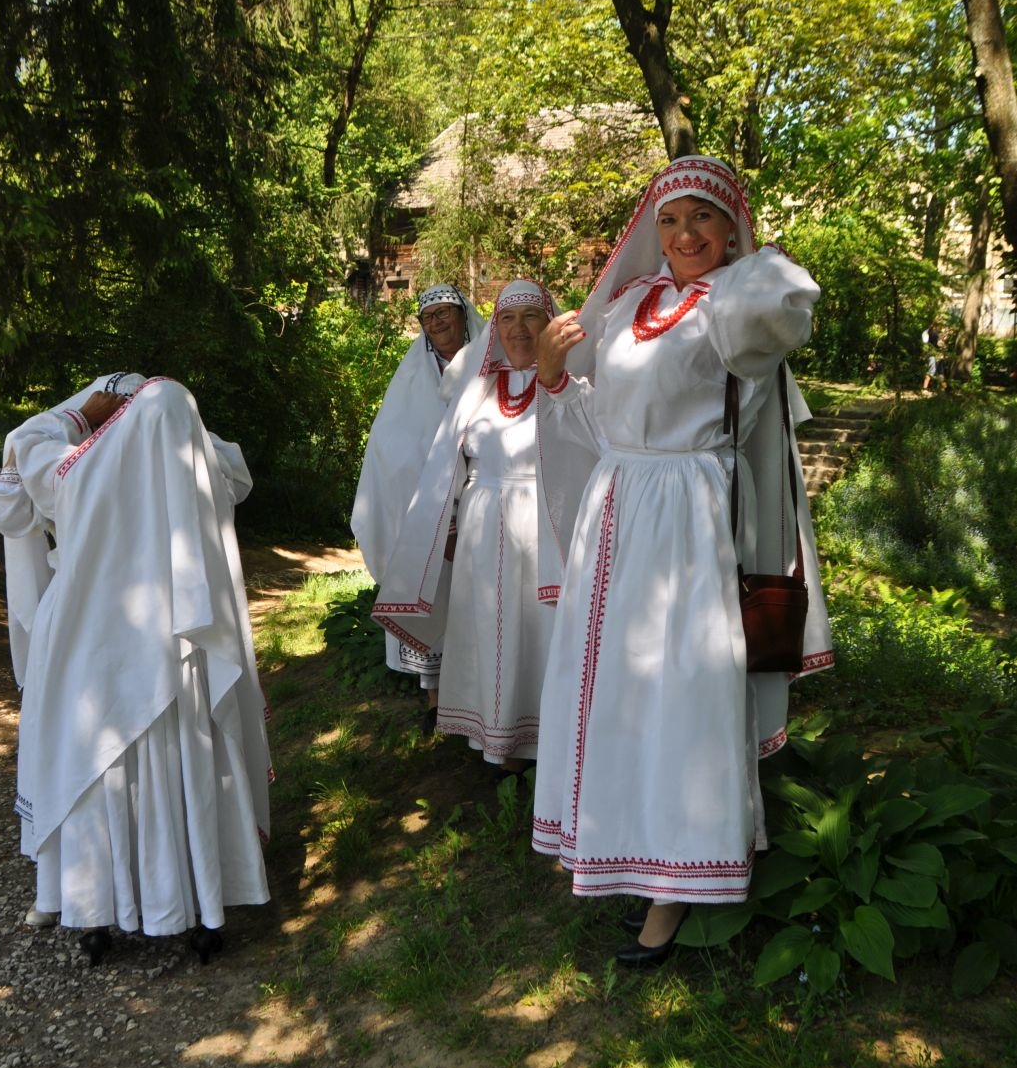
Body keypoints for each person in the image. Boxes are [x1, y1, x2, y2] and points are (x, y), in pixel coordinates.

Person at [531, 156, 832, 966]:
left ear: (731, 226)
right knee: (618, 687)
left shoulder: (737, 306)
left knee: (681, 690)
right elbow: (600, 424)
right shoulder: (627, 303)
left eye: (702, 215)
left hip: (690, 516)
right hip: (617, 507)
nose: (684, 233)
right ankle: (617, 839)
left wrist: (752, 259)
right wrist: (553, 379)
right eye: (668, 219)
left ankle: (675, 882)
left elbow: (787, 299)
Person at [0, 375, 271, 962]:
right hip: (170, 629)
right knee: (171, 762)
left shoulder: (70, 468)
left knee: (97, 768)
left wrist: (77, 419)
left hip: (95, 639)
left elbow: (11, 488)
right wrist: (140, 413)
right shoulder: (186, 455)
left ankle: (98, 912)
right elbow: (233, 473)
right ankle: (197, 904)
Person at [373, 280, 557, 773]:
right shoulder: (477, 386)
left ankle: (547, 740)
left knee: (538, 632)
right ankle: (498, 741)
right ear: (495, 327)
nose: (519, 329)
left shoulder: (569, 384)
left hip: (545, 527)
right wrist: (448, 524)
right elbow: (446, 462)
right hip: (483, 530)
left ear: (549, 322)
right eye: (508, 318)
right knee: (490, 628)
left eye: (531, 317)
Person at [351, 285, 483, 728]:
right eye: (429, 317)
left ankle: (481, 700)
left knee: (480, 600)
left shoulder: (487, 364)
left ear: (463, 315)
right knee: (434, 592)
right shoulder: (413, 378)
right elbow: (391, 446)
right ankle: (435, 700)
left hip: (482, 503)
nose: (437, 322)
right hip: (428, 514)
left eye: (445, 312)